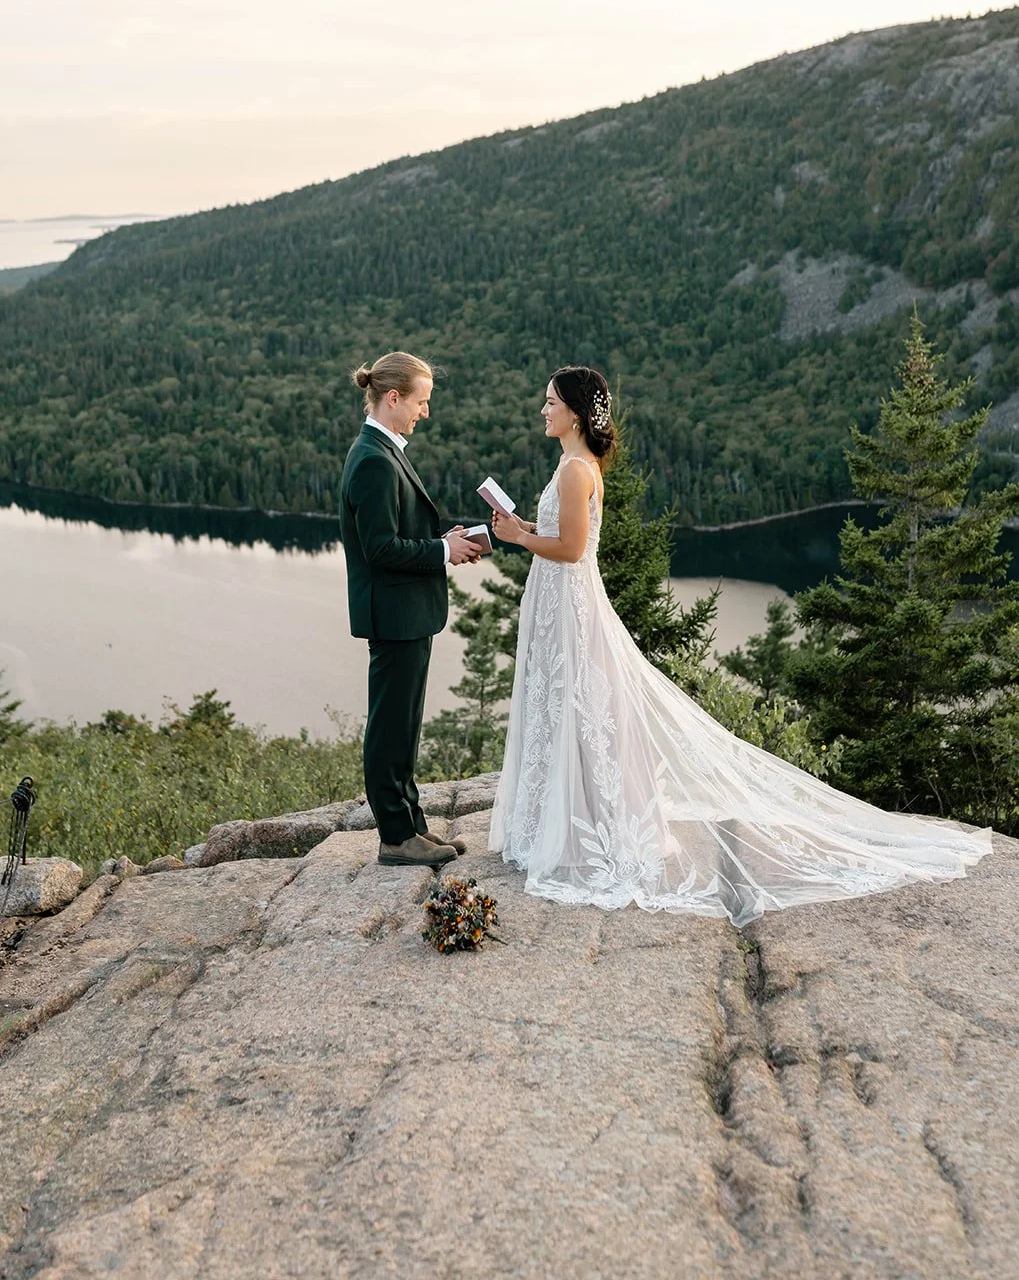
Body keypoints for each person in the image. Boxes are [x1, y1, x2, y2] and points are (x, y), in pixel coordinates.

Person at [488, 365, 991, 927]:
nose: (543, 410)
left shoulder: (577, 470)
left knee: (581, 703)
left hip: (571, 601)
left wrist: (519, 538)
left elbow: (572, 548)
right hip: (560, 600)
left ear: (577, 414)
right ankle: (568, 820)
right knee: (570, 704)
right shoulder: (573, 465)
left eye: (551, 402)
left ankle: (585, 829)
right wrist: (523, 525)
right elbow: (561, 533)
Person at [339, 351, 482, 866]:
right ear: (394, 398)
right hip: (394, 615)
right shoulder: (374, 460)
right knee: (390, 728)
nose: (426, 412)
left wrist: (445, 540)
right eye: (421, 402)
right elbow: (380, 548)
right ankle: (396, 838)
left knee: (403, 725)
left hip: (406, 612)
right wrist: (443, 551)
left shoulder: (384, 449)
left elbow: (399, 531)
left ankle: (412, 826)